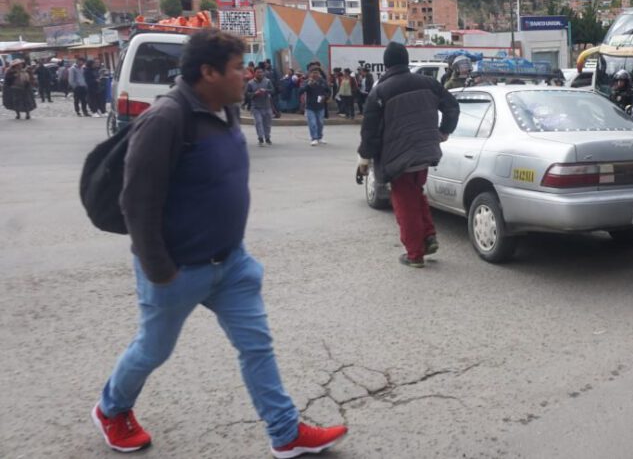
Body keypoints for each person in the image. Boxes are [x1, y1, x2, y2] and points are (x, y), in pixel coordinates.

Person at [92, 28, 347, 456]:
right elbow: (136, 203)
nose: (246, 75)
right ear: (208, 72)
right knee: (153, 350)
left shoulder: (224, 110)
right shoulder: (165, 120)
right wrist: (161, 272)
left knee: (256, 346)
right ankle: (111, 409)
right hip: (177, 271)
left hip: (231, 265)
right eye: (237, 68)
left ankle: (285, 433)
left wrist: (235, 250)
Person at [357, 43, 459, 267]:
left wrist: (364, 159)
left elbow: (370, 131)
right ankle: (428, 236)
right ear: (406, 60)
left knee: (404, 202)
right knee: (415, 193)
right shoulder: (429, 83)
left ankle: (415, 254)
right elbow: (452, 107)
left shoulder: (379, 91)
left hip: (398, 157)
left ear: (386, 64)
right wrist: (444, 131)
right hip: (425, 152)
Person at [245, 67, 275, 146]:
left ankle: (267, 137)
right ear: (255, 73)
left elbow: (273, 91)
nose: (260, 74)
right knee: (258, 122)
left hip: (267, 106)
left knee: (267, 123)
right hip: (256, 107)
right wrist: (255, 93)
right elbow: (247, 94)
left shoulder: (267, 81)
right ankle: (260, 138)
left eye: (261, 72)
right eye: (258, 72)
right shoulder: (250, 83)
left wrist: (266, 90)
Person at [300, 69, 330, 145]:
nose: (315, 75)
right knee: (312, 123)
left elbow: (328, 91)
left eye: (317, 73)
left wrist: (325, 97)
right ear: (310, 74)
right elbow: (300, 91)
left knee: (320, 122)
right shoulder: (307, 82)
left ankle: (320, 137)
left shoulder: (322, 81)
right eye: (313, 73)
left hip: (320, 105)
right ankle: (314, 138)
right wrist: (308, 85)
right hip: (310, 106)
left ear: (319, 74)